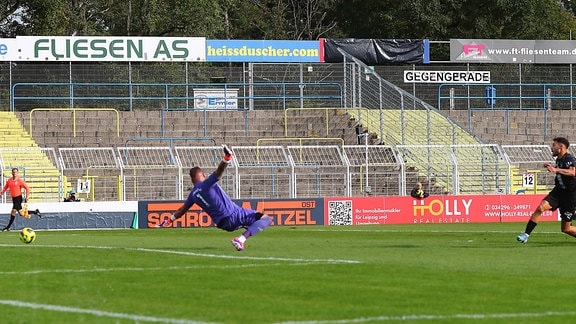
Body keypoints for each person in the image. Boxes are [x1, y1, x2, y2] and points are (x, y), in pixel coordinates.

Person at [158, 145, 272, 251]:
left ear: (192, 180)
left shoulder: (193, 194)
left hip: (223, 224)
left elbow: (181, 210)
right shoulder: (206, 184)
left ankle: (242, 238)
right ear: (202, 175)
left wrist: (169, 220)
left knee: (254, 222)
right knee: (266, 219)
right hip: (233, 214)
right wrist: (226, 158)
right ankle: (240, 240)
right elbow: (219, 171)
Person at [517, 137, 576, 243]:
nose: (552, 148)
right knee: (540, 208)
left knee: (566, 229)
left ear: (561, 147)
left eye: (554, 145)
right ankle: (526, 235)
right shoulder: (559, 159)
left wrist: (555, 169)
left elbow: (572, 172)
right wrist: (552, 167)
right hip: (558, 192)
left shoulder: (569, 159)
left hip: (570, 196)